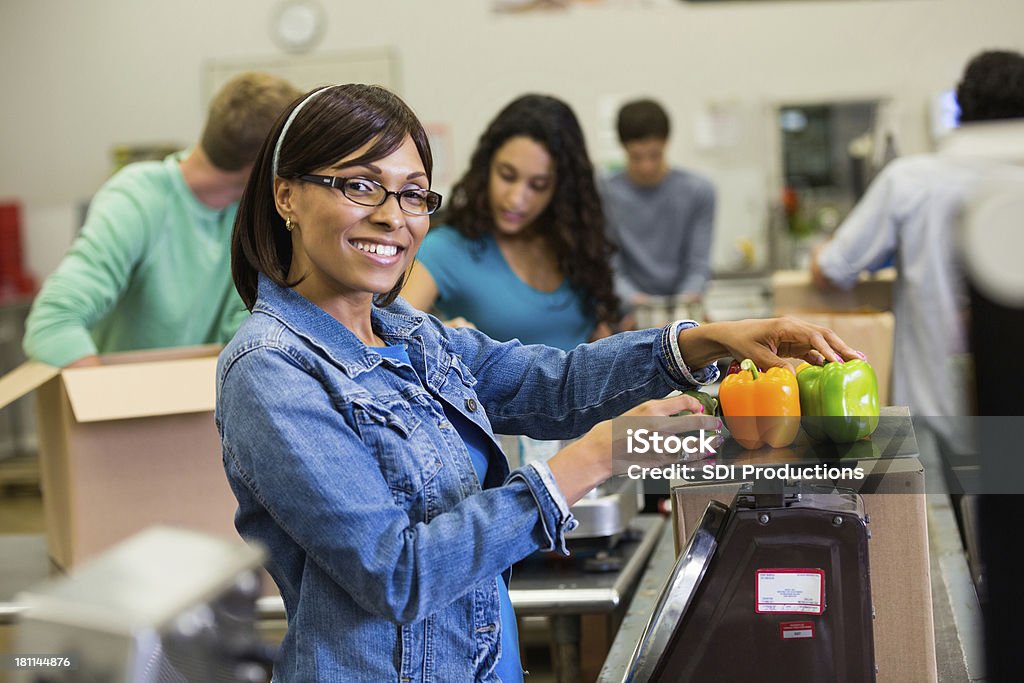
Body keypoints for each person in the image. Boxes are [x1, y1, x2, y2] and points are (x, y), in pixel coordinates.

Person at [217, 82, 864, 682]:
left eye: (413, 193)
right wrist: (591, 460)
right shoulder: (270, 368)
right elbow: (397, 573)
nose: (394, 216)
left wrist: (703, 341)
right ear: (285, 196)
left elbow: (553, 385)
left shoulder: (412, 333)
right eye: (360, 185)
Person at [810, 49, 1024, 476]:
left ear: (960, 108)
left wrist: (824, 247)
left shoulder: (911, 180)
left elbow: (832, 270)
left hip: (940, 421)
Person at [22, 71, 301, 367]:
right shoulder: (138, 200)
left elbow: (243, 331)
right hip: (132, 401)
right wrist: (112, 404)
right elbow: (53, 324)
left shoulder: (251, 216)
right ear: (261, 165)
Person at [402, 94, 620, 349]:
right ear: (486, 167)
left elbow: (596, 345)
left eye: (538, 185)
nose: (516, 199)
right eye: (507, 176)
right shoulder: (446, 249)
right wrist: (434, 342)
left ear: (561, 188)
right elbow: (390, 340)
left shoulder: (570, 243)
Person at [600, 98, 716, 310]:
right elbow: (610, 267)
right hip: (628, 315)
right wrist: (635, 302)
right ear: (623, 147)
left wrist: (681, 306)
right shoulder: (605, 193)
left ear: (666, 143)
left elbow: (698, 266)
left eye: (655, 155)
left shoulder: (698, 191)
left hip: (683, 310)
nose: (646, 166)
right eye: (636, 157)